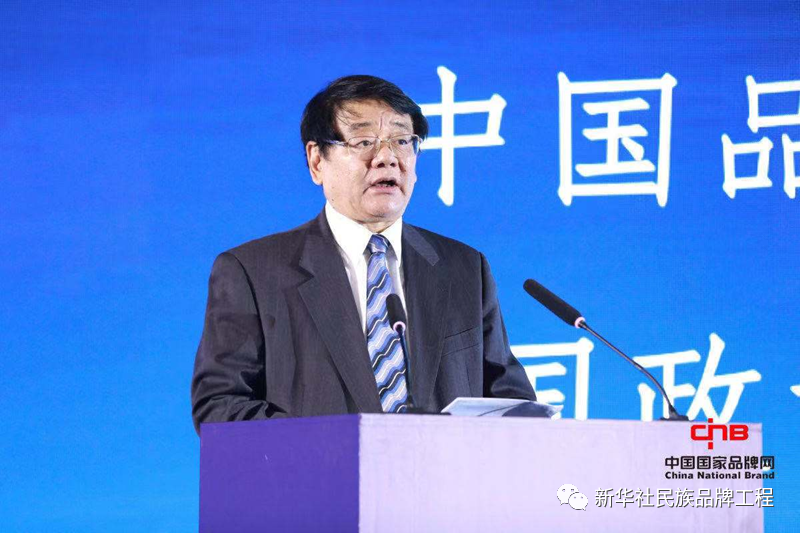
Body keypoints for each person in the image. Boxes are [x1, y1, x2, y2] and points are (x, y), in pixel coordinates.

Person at [191, 75, 535, 434]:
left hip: (442, 471)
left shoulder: (463, 267)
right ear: (316, 161)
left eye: (402, 141)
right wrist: (325, 447)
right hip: (318, 471)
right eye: (363, 142)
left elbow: (510, 401)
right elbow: (220, 407)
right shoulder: (253, 273)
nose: (387, 158)